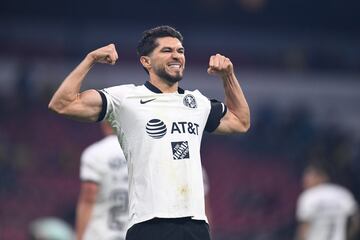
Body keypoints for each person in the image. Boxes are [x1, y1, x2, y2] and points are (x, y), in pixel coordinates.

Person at [48, 25, 250, 240]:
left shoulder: (197, 102)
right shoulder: (126, 98)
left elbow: (241, 122)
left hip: (195, 224)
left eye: (180, 51)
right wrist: (90, 59)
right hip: (149, 223)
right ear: (146, 61)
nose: (176, 56)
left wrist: (228, 76)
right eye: (167, 50)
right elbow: (62, 103)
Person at [76, 122, 128, 240]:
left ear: (104, 124)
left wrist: (79, 237)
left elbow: (89, 195)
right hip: (133, 233)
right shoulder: (138, 152)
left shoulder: (94, 153)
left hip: (100, 234)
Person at [295, 162, 360, 240]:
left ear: (322, 177)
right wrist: (348, 236)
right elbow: (356, 220)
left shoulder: (308, 196)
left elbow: (304, 227)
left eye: (308, 176)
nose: (305, 180)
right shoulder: (343, 193)